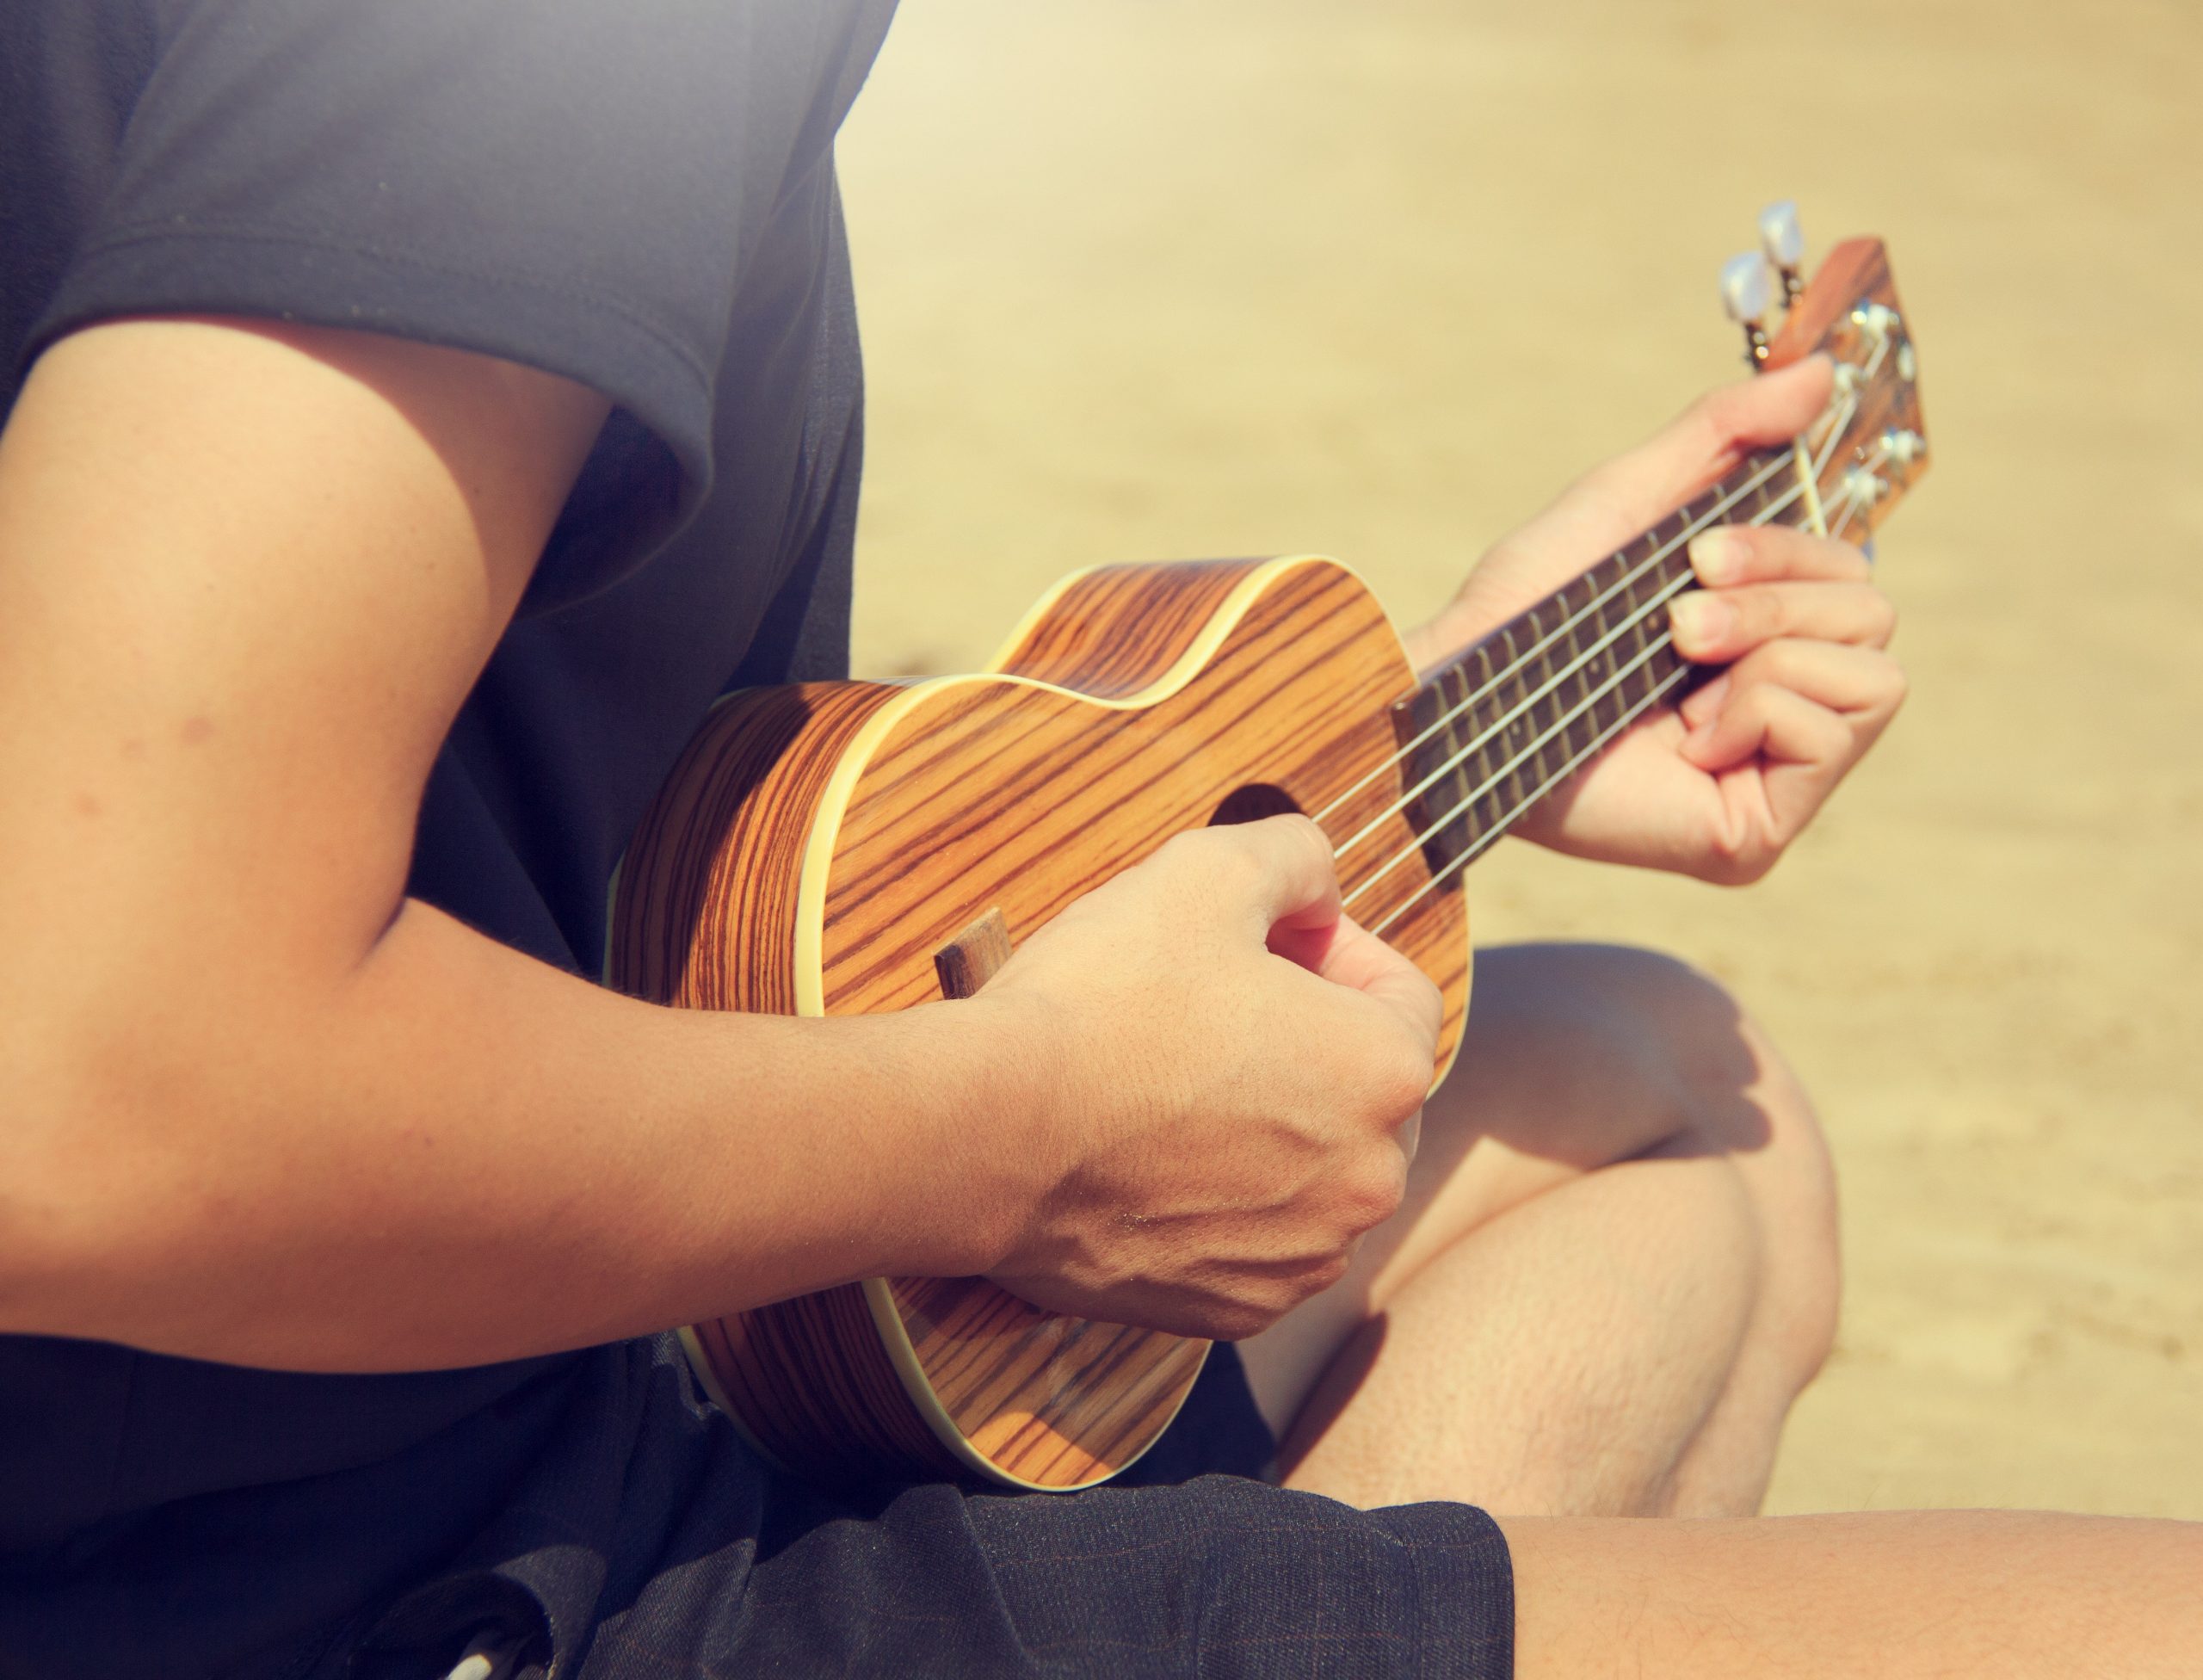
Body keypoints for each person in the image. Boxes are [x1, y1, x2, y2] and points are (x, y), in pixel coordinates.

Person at [1, 5, 2196, 1678]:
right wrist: (1029, 1131)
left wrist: (1417, 724)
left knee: (1653, 1093)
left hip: (337, 1411)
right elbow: (89, 1084)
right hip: (359, 1579)